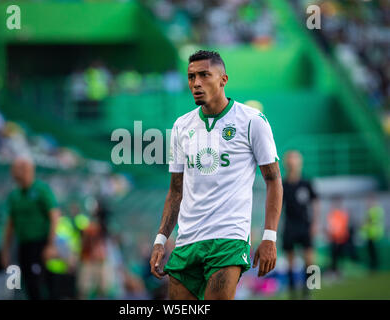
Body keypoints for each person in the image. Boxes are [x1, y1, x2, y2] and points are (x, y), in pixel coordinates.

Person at [150, 50, 283, 300]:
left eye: (204, 75)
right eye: (191, 77)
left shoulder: (252, 121)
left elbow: (274, 181)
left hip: (228, 239)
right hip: (187, 241)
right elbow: (175, 190)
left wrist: (269, 237)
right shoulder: (181, 126)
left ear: (223, 79)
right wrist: (161, 239)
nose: (196, 83)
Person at [1, 156, 60, 299]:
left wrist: (51, 244)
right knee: (27, 282)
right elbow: (10, 225)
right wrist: (5, 250)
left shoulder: (41, 189)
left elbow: (55, 216)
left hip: (40, 244)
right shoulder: (14, 196)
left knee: (39, 281)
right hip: (22, 245)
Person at [282, 150, 320, 299]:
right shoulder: (283, 184)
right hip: (290, 226)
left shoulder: (307, 182)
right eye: (290, 159)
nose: (293, 162)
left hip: (305, 225)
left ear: (300, 162)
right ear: (286, 163)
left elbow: (315, 202)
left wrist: (315, 223)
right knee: (290, 262)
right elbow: (277, 207)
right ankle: (292, 293)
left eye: (295, 159)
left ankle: (309, 292)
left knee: (310, 260)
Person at [360, 193, 385, 272]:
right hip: (370, 234)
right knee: (372, 252)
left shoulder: (374, 210)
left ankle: (374, 267)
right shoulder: (375, 209)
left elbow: (369, 221)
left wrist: (363, 224)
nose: (367, 202)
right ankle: (374, 266)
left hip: (374, 234)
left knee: (373, 252)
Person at [326, 196, 350, 276]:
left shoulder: (343, 214)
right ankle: (334, 271)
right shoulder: (331, 214)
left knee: (340, 257)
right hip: (334, 239)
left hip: (341, 239)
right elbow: (330, 227)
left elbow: (343, 227)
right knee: (334, 257)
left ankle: (339, 271)